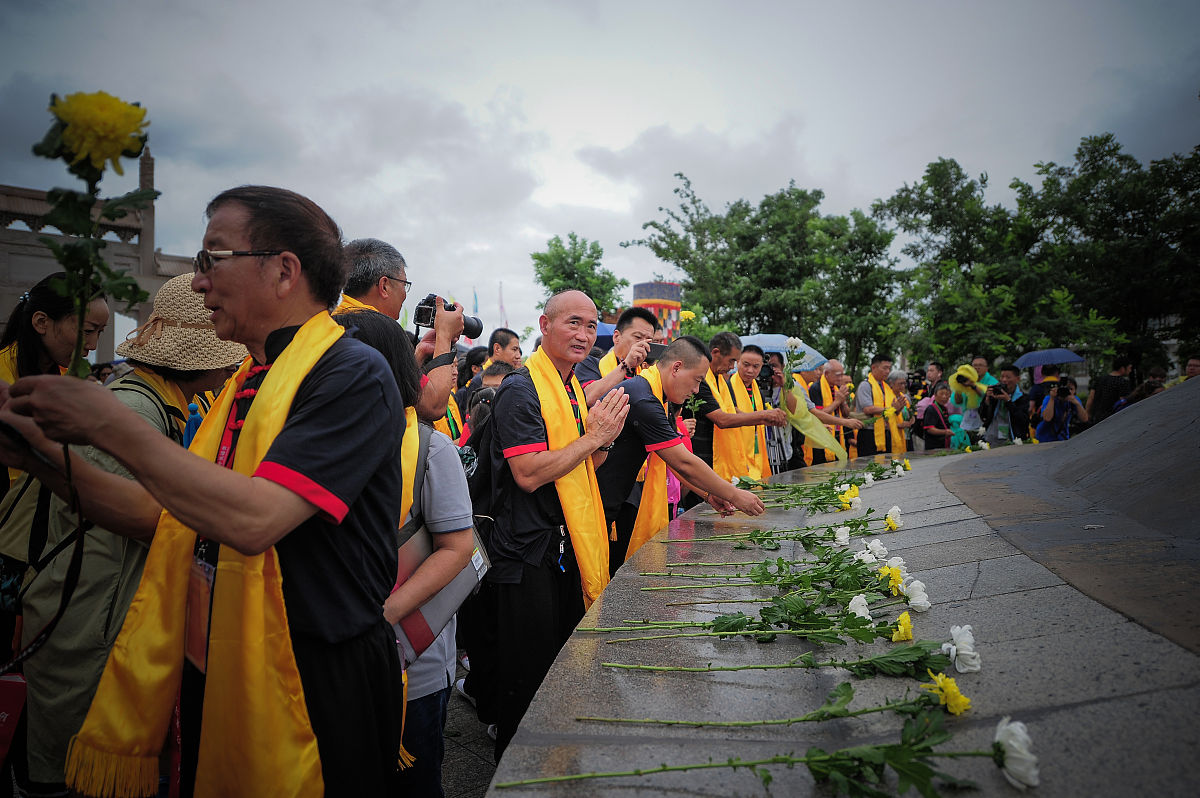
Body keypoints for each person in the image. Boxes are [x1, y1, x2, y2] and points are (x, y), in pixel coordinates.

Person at [0, 186, 408, 796]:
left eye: (211, 258)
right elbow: (161, 518)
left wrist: (108, 426)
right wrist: (35, 459)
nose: (197, 282)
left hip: (307, 674)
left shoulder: (348, 372)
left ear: (284, 271)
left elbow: (254, 520)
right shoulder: (251, 380)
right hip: (224, 657)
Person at [18, 274, 246, 794]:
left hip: (100, 615)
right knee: (73, 773)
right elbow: (133, 516)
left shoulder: (157, 402)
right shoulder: (137, 409)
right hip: (90, 625)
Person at [479, 290, 628, 759]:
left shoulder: (568, 386)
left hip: (562, 547)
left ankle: (557, 757)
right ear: (544, 325)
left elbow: (582, 466)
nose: (584, 334)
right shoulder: (521, 390)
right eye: (573, 323)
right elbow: (528, 474)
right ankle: (517, 771)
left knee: (563, 664)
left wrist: (603, 443)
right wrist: (594, 438)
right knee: (528, 678)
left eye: (591, 325)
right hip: (525, 553)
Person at [331, 309, 473, 798]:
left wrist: (380, 618)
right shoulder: (317, 437)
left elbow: (459, 547)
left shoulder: (430, 449)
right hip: (333, 653)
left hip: (410, 657)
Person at [0, 272, 109, 662]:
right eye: (87, 331)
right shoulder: (3, 377)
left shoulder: (65, 378)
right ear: (41, 322)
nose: (92, 347)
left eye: (99, 333)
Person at [595, 336, 765, 570]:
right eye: (696, 380)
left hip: (608, 503)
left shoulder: (651, 392)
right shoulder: (643, 398)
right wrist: (735, 495)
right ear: (676, 367)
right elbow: (683, 461)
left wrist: (707, 493)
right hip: (595, 506)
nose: (696, 390)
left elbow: (671, 459)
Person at [338, 238, 465, 424]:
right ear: (384, 286)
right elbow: (434, 405)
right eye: (404, 284)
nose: (405, 294)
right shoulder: (383, 330)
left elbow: (391, 383)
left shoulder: (330, 322)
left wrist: (419, 353)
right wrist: (445, 335)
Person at [681, 333, 784, 508]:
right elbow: (721, 419)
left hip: (715, 459)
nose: (731, 367)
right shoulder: (702, 380)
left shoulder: (721, 380)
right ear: (715, 353)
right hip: (701, 457)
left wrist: (762, 417)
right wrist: (762, 416)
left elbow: (732, 410)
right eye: (731, 361)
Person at [575, 307, 658, 405]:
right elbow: (588, 398)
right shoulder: (591, 362)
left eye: (648, 340)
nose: (643, 344)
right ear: (616, 337)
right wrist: (627, 364)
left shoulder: (647, 372)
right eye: (638, 337)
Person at [807, 358, 864, 464]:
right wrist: (837, 402)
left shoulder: (837, 388)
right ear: (827, 373)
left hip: (838, 432)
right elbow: (818, 414)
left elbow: (846, 414)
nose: (841, 378)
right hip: (822, 434)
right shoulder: (816, 388)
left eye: (842, 375)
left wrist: (842, 402)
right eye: (838, 375)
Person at [729, 344, 771, 479]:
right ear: (737, 362)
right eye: (746, 364)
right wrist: (764, 416)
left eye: (756, 366)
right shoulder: (728, 386)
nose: (750, 370)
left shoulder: (757, 390)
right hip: (734, 448)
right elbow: (733, 414)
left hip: (755, 446)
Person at [855, 354, 906, 457]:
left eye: (889, 368)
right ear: (874, 367)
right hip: (869, 433)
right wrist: (891, 409)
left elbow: (891, 410)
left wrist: (897, 409)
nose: (887, 371)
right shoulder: (866, 385)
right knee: (868, 468)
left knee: (884, 467)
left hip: (885, 432)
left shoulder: (886, 387)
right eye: (885, 368)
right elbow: (868, 409)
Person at [980, 363, 1029, 445]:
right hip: (991, 439)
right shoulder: (994, 393)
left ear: (1017, 379)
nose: (1004, 380)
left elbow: (1023, 420)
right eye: (1002, 377)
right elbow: (983, 415)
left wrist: (1008, 401)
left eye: (1008, 377)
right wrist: (987, 400)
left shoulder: (1022, 398)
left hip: (1013, 441)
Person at [1036, 376, 1089, 441]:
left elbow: (1085, 419)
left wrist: (1077, 404)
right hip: (1045, 438)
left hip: (1063, 438)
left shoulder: (1074, 400)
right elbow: (1047, 418)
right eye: (1063, 388)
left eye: (1070, 389)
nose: (1066, 391)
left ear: (1075, 391)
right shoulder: (1049, 398)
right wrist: (1052, 399)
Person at [1084, 357, 1132, 424]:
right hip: (1113, 419)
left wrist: (1087, 414)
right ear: (1122, 368)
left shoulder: (1100, 379)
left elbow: (1091, 397)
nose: (1130, 370)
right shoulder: (1123, 382)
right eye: (1129, 368)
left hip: (1097, 418)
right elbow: (1122, 403)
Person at [886, 370, 915, 451]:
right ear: (891, 383)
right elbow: (884, 419)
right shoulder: (886, 397)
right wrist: (899, 425)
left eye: (904, 383)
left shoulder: (906, 397)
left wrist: (912, 419)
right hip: (892, 436)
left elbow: (910, 412)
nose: (903, 386)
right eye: (900, 383)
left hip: (907, 436)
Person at [922, 382, 954, 449]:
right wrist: (945, 432)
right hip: (934, 447)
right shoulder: (931, 409)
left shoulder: (944, 408)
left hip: (943, 445)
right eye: (941, 394)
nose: (944, 396)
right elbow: (930, 429)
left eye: (947, 394)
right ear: (935, 395)